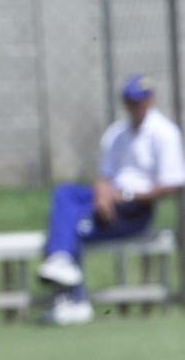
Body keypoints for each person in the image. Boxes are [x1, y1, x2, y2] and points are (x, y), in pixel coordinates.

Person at [38, 73, 185, 326]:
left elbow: (173, 185)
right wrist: (103, 193)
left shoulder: (164, 133)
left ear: (150, 101)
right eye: (130, 101)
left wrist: (126, 195)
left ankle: (75, 298)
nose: (134, 106)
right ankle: (61, 263)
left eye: (139, 101)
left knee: (73, 227)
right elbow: (104, 175)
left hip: (136, 208)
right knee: (64, 193)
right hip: (108, 201)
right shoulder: (117, 133)